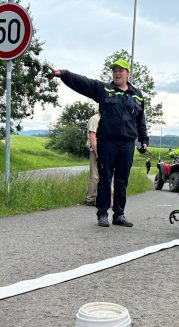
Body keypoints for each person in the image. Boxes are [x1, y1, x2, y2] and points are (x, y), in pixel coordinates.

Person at [50, 58, 149, 228]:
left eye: (120, 70)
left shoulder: (137, 95)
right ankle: (102, 214)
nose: (117, 73)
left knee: (122, 181)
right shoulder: (105, 89)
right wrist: (63, 74)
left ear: (127, 73)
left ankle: (119, 215)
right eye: (114, 70)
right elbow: (84, 83)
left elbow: (140, 121)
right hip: (107, 142)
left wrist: (144, 140)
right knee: (105, 179)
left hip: (127, 144)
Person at [85, 113, 100, 206]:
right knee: (95, 175)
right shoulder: (95, 119)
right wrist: (97, 153)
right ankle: (90, 198)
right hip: (96, 149)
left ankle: (101, 198)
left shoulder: (107, 118)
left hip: (105, 149)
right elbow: (92, 137)